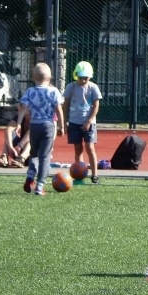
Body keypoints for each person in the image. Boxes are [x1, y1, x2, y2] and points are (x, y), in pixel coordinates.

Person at [19, 63, 64, 195]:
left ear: (33, 77)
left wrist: (18, 123)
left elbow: (23, 108)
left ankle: (30, 175)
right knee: (45, 156)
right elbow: (59, 109)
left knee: (34, 153)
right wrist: (61, 125)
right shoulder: (54, 91)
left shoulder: (30, 91)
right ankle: (40, 185)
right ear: (49, 78)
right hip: (48, 125)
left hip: (34, 125)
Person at [63, 61, 103, 183]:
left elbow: (96, 106)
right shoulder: (71, 87)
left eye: (85, 78)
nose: (83, 80)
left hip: (89, 123)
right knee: (78, 148)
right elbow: (66, 104)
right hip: (74, 122)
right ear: (76, 76)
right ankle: (79, 173)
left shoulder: (93, 88)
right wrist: (64, 121)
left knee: (90, 147)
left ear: (89, 77)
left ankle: (94, 175)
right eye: (81, 78)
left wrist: (89, 121)